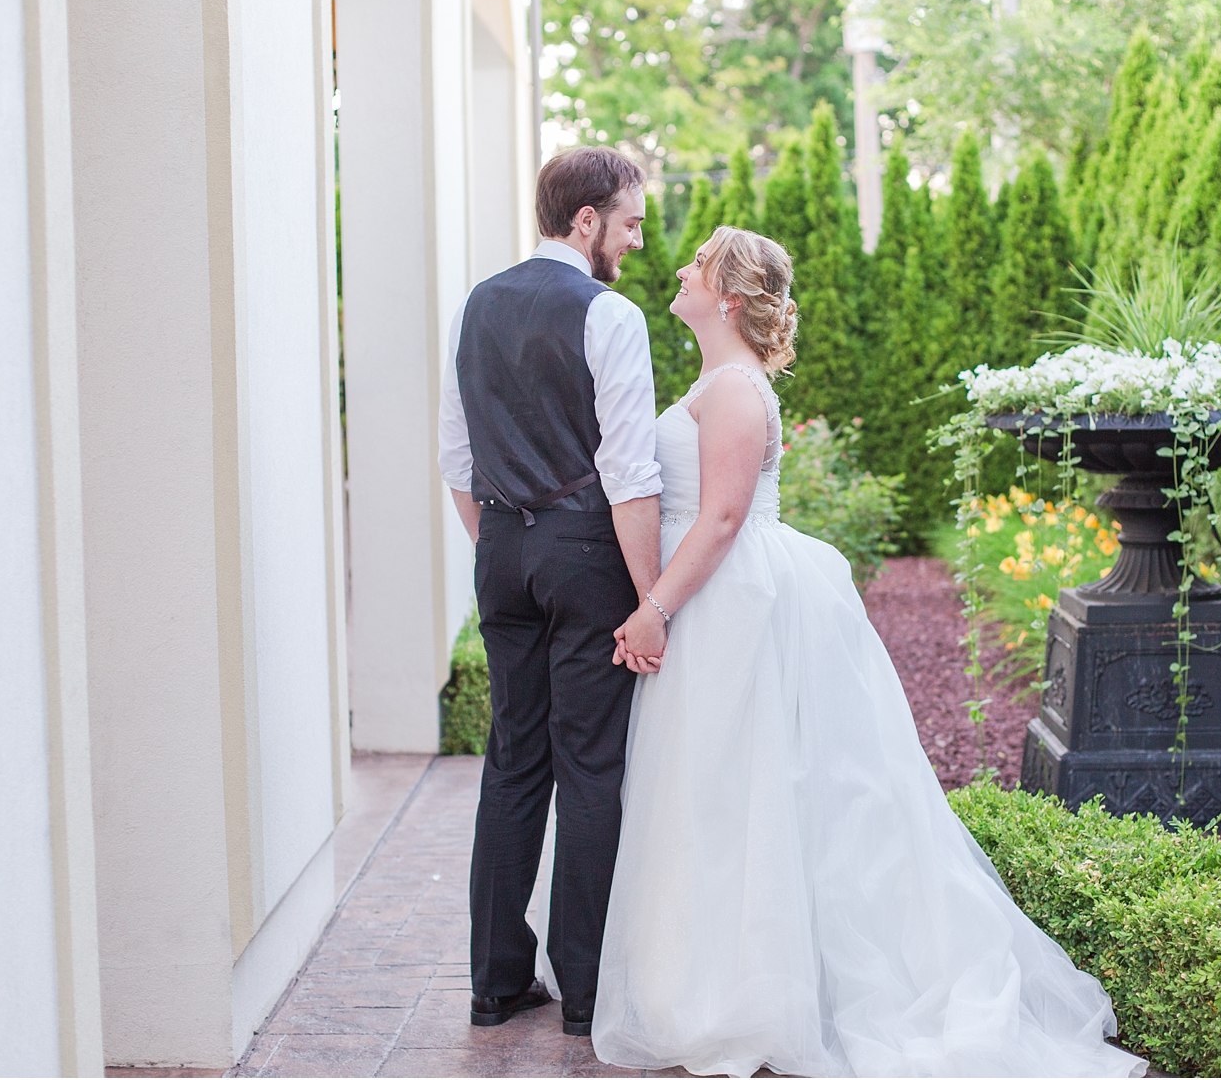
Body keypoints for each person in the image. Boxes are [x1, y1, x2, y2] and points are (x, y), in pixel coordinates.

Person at [585, 226, 1148, 1077]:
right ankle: (707, 980)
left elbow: (725, 517)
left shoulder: (734, 388)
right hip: (715, 600)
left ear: (729, 296)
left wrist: (655, 606)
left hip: (726, 601)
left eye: (697, 263)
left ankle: (746, 995)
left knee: (742, 790)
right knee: (716, 793)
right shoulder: (718, 377)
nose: (679, 269)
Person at [437, 145, 667, 1038]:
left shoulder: (477, 304)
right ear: (587, 221)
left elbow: (457, 458)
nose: (636, 243)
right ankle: (585, 988)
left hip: (500, 545)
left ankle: (495, 983)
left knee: (512, 758)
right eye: (631, 223)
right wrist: (650, 598)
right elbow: (630, 473)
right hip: (585, 551)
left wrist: (506, 543)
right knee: (592, 763)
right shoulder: (609, 314)